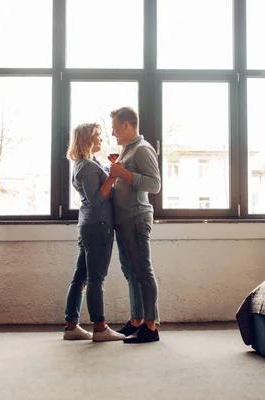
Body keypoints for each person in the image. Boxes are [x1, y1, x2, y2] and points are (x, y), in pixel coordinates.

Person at [63, 123, 125, 342]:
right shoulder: (87, 166)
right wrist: (112, 177)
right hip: (97, 226)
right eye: (97, 137)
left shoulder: (85, 164)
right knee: (95, 278)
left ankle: (72, 326)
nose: (101, 140)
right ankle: (100, 328)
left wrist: (111, 171)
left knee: (80, 277)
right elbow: (97, 199)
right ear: (87, 140)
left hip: (89, 225)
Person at [109, 106, 161, 344]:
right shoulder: (125, 150)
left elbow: (155, 184)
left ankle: (151, 327)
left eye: (115, 128)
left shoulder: (142, 149)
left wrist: (125, 175)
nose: (113, 133)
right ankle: (137, 320)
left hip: (137, 217)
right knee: (130, 272)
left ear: (127, 125)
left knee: (142, 271)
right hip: (124, 219)